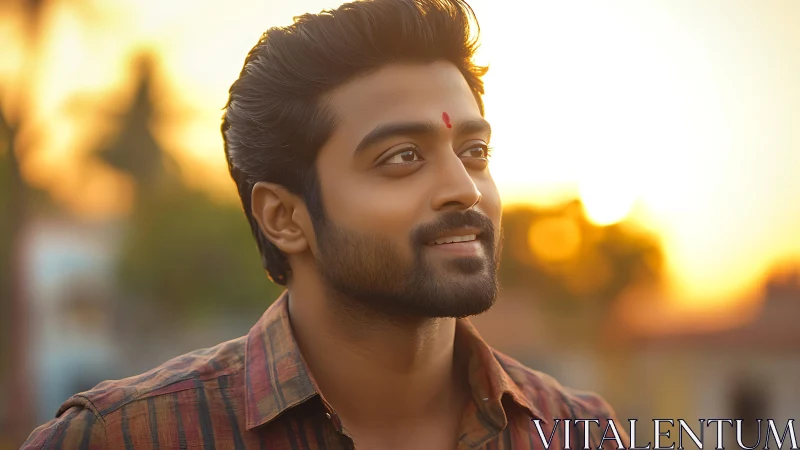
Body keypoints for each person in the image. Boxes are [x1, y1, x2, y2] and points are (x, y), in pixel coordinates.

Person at [22, 0, 628, 448]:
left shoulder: (583, 430)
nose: (463, 189)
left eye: (474, 152)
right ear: (285, 218)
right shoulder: (124, 437)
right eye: (403, 158)